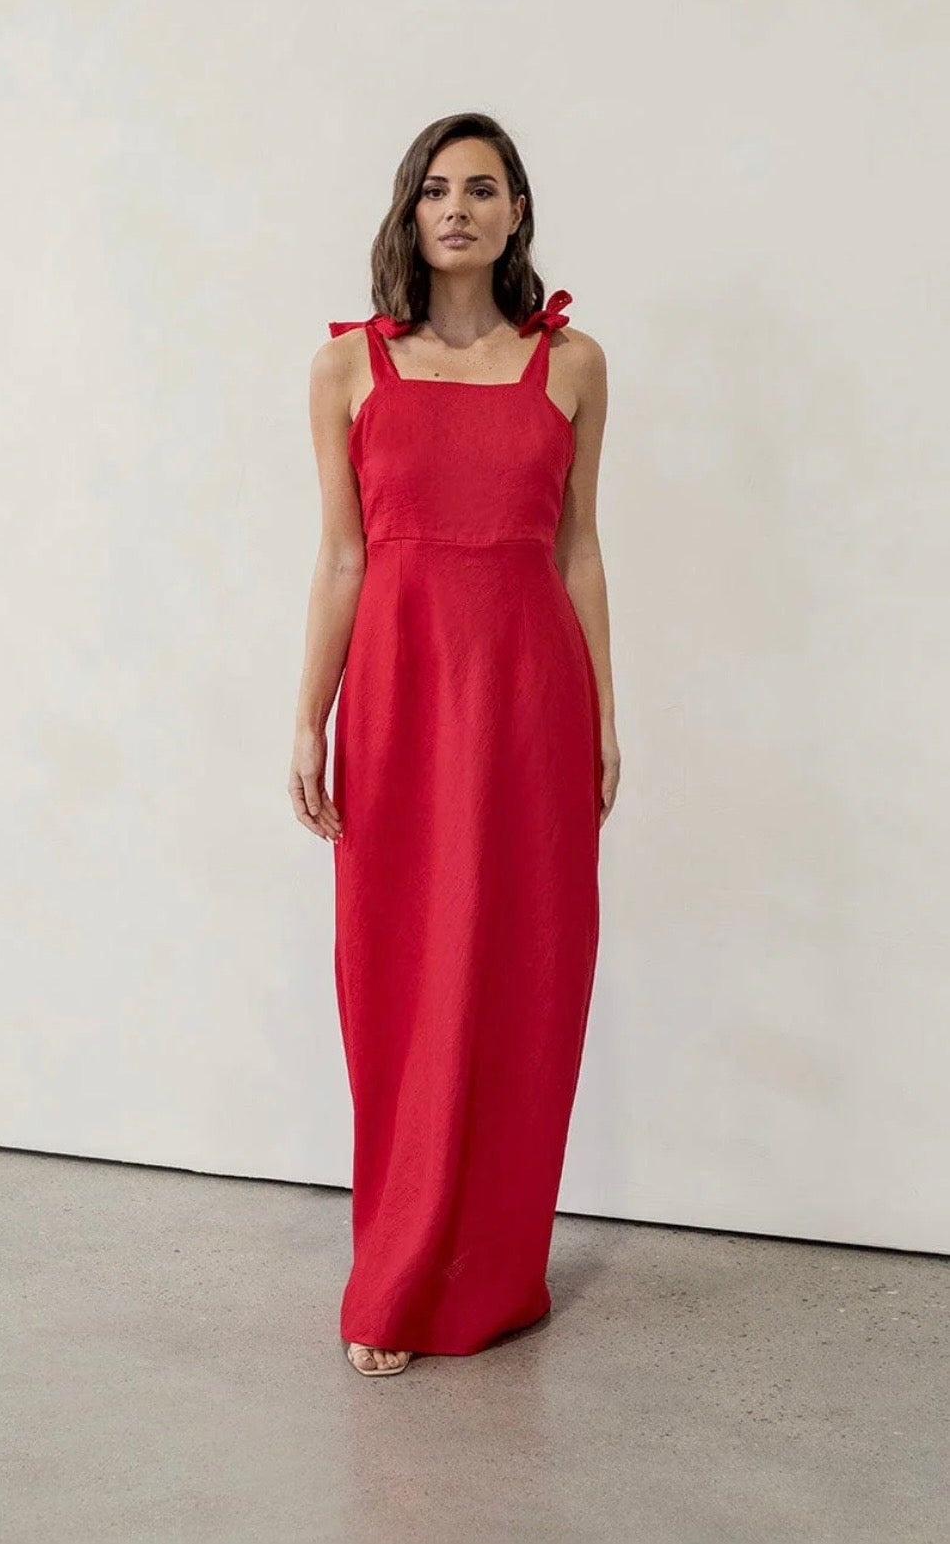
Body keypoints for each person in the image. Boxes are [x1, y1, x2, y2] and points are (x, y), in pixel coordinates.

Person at [288, 111, 620, 1377]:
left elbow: (579, 548)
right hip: (402, 694)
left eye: (483, 189)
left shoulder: (573, 363)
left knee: (528, 976)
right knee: (398, 973)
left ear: (517, 210)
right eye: (436, 189)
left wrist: (605, 711)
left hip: (533, 698)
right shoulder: (348, 369)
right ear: (409, 211)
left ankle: (495, 1274)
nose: (459, 209)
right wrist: (309, 715)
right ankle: (396, 1271)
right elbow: (343, 559)